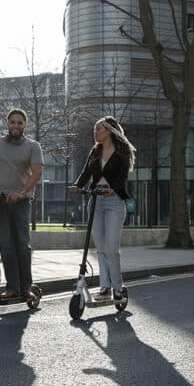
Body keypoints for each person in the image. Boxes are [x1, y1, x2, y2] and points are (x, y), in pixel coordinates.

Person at [0, 108, 44, 300]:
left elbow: (36, 173)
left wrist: (22, 193)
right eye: (12, 122)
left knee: (22, 244)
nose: (16, 125)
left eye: (19, 123)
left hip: (21, 202)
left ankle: (26, 287)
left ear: (25, 125)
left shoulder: (33, 146)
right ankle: (12, 287)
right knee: (5, 244)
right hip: (0, 200)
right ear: (7, 124)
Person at [69, 115, 136, 301]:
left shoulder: (122, 151)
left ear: (108, 130)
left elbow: (122, 178)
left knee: (111, 247)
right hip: (96, 200)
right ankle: (105, 287)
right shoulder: (95, 151)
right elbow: (86, 172)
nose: (95, 132)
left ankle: (118, 287)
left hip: (114, 201)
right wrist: (78, 185)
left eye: (98, 129)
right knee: (100, 246)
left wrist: (112, 190)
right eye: (94, 129)